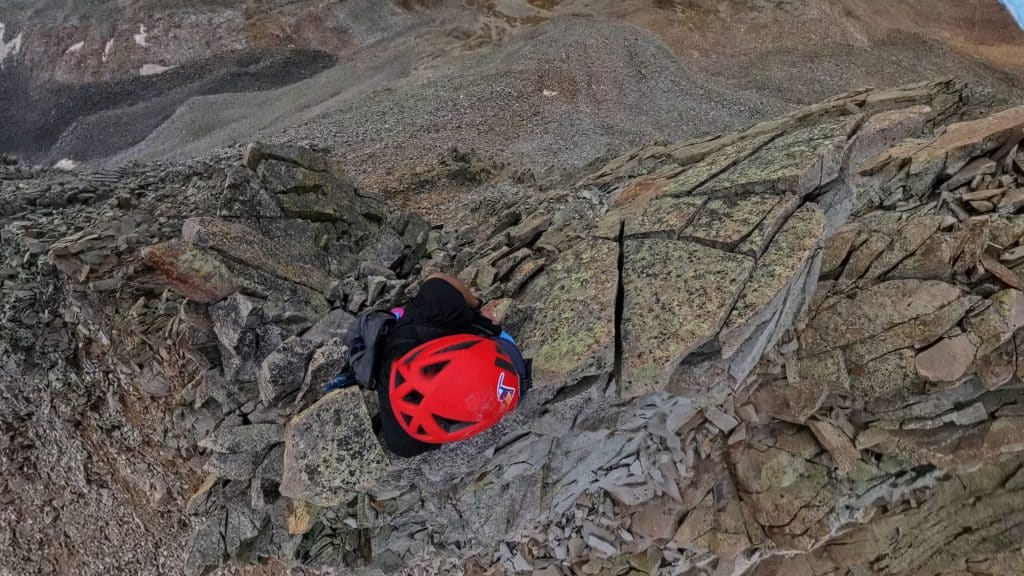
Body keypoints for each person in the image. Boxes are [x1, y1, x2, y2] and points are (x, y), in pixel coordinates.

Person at [375, 273, 531, 458]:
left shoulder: (405, 442)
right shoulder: (433, 313)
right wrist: (477, 306)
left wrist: (476, 306)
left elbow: (438, 279)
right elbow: (439, 280)